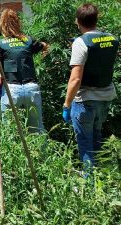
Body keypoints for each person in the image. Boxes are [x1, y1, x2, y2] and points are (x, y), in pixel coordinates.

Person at [63, 3, 119, 177]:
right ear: (97, 18)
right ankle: (98, 179)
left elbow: (76, 79)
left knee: (85, 144)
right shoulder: (112, 39)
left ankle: (89, 186)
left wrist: (67, 105)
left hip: (85, 100)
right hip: (105, 98)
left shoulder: (81, 43)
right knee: (96, 139)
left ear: (77, 21)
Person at [0, 9, 47, 133]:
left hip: (12, 89)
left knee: (9, 131)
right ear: (18, 23)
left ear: (2, 25)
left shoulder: (0, 44)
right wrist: (44, 53)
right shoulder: (28, 40)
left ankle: (11, 152)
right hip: (31, 88)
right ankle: (41, 152)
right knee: (37, 130)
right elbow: (44, 45)